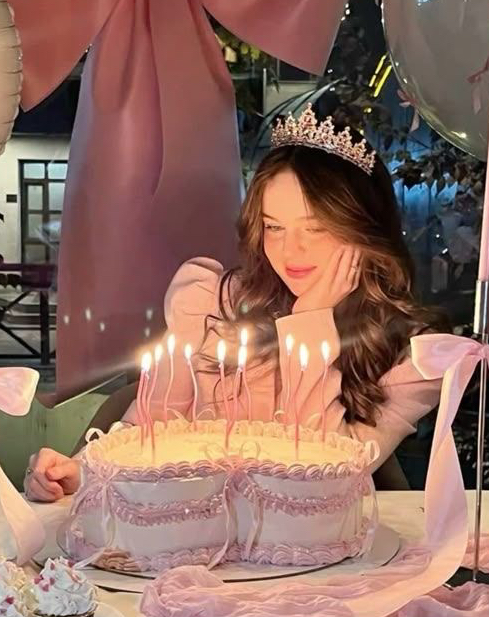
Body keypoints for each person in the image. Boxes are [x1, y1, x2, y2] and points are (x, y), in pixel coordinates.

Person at [24, 105, 447, 502]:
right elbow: (150, 428)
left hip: (310, 549)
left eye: (315, 228)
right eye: (274, 227)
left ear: (363, 229)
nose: (291, 251)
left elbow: (326, 479)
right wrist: (77, 472)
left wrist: (311, 321)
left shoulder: (413, 356)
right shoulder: (212, 301)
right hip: (194, 531)